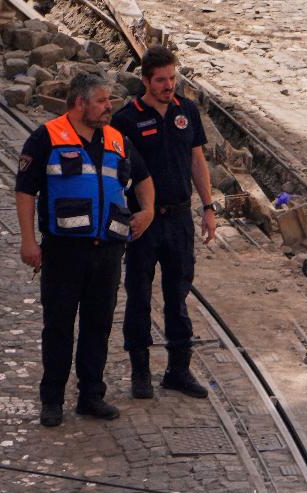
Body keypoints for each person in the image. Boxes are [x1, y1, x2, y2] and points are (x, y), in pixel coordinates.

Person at [16, 72, 154, 427]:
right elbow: (25, 191)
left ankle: (91, 395)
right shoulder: (46, 137)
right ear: (81, 103)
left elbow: (142, 177)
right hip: (64, 252)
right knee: (58, 327)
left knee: (98, 326)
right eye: (103, 101)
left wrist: (148, 210)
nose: (110, 107)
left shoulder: (116, 139)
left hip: (107, 252)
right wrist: (28, 240)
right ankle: (52, 401)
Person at [110, 45, 217, 401]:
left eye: (172, 78)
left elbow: (197, 160)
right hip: (143, 221)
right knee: (138, 293)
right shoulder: (126, 119)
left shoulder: (186, 111)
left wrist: (208, 206)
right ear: (145, 81)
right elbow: (115, 172)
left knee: (178, 293)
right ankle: (141, 372)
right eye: (161, 80)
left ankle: (178, 370)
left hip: (179, 217)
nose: (168, 86)